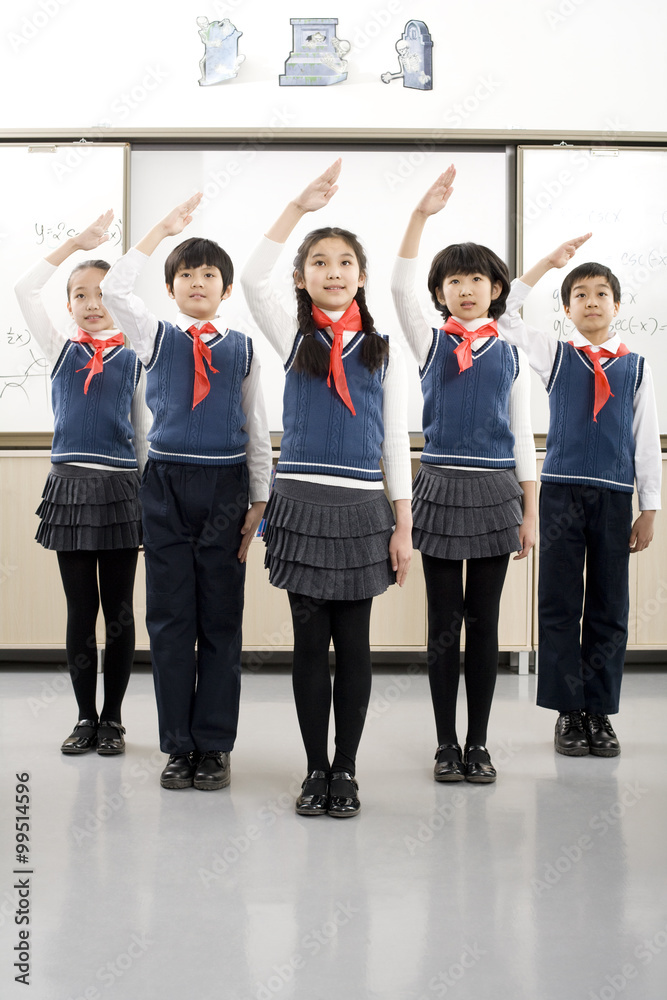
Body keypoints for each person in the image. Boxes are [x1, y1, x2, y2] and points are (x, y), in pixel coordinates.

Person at [241, 159, 412, 818]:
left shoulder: (383, 348)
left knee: (357, 645)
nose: (332, 270)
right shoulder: (294, 336)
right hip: (302, 509)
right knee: (309, 645)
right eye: (318, 261)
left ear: (361, 276)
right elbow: (253, 277)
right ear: (303, 275)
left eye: (344, 261)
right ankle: (315, 770)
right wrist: (296, 209)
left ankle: (348, 769)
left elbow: (393, 442)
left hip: (363, 510)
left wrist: (401, 524)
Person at [101, 195, 272, 790]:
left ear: (226, 290)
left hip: (226, 486)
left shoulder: (245, 347)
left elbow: (255, 428)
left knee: (221, 620)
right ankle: (178, 746)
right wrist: (158, 233)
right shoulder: (154, 336)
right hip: (166, 484)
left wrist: (259, 500)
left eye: (209, 275)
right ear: (170, 288)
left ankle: (215, 745)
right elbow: (116, 293)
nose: (197, 282)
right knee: (171, 619)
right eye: (185, 274)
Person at [391, 166, 536, 783]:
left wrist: (531, 512)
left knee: (486, 624)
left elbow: (524, 437)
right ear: (442, 291)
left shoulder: (512, 352)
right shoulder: (428, 341)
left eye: (478, 277)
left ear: (497, 288)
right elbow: (398, 288)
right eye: (455, 279)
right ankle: (445, 744)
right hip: (442, 488)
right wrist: (420, 215)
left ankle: (479, 742)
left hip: (499, 493)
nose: (467, 287)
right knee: (443, 623)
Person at [505, 240, 661, 757]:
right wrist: (545, 266)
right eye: (579, 294)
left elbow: (645, 439)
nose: (591, 301)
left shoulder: (636, 366)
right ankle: (568, 711)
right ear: (567, 308)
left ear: (617, 306)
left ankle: (600, 711)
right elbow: (504, 316)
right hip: (562, 494)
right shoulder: (555, 355)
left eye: (601, 294)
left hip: (617, 498)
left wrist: (650, 508)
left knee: (610, 605)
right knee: (559, 602)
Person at [14, 211, 149, 756]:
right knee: (79, 610)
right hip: (69, 492)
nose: (93, 303)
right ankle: (83, 717)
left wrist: (143, 495)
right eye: (80, 295)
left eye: (101, 293)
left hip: (120, 493)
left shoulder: (138, 355)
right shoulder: (59, 350)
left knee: (118, 610)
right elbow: (24, 289)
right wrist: (73, 242)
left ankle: (113, 720)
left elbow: (143, 434)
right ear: (69, 304)